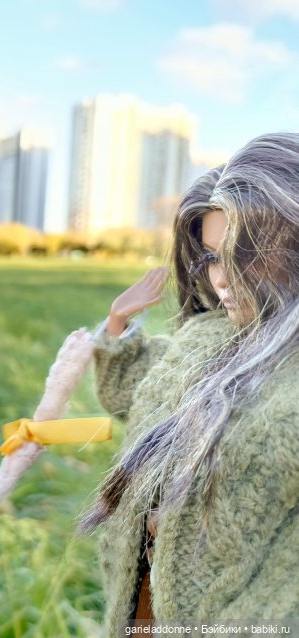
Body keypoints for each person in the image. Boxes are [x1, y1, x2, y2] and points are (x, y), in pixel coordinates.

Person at [78, 131, 299, 635]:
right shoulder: (205, 333)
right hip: (144, 598)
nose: (221, 277)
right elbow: (136, 394)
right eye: (213, 256)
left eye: (243, 253)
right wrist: (117, 329)